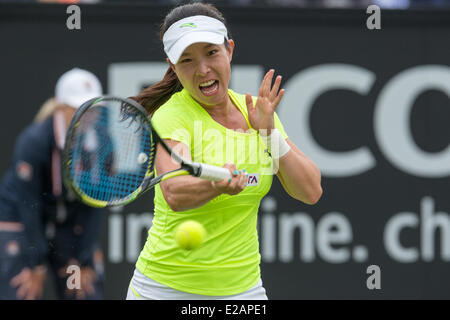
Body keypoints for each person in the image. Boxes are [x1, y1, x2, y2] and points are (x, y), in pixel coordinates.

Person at [126, 2, 322, 300]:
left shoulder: (257, 112)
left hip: (244, 292)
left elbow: (310, 190)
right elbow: (175, 193)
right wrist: (216, 185)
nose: (203, 69)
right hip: (165, 291)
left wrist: (269, 133)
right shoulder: (171, 117)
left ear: (229, 50)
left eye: (211, 52)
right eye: (187, 60)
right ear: (173, 66)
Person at [0, 68, 105, 300]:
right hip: (21, 217)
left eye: (92, 108)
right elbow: (28, 204)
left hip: (68, 224)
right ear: (60, 108)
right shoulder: (33, 141)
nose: (86, 115)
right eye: (78, 108)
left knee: (82, 292)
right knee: (22, 290)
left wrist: (83, 258)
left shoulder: (102, 145)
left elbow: (95, 206)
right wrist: (35, 263)